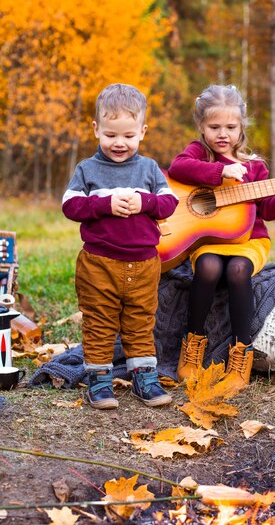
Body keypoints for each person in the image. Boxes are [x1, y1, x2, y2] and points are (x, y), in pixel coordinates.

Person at [168, 84, 275, 390]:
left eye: (230, 127)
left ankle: (242, 353)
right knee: (209, 267)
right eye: (214, 127)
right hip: (210, 238)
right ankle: (193, 345)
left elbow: (268, 209)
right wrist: (219, 174)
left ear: (242, 128)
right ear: (201, 127)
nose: (222, 134)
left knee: (238, 270)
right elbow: (177, 167)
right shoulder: (199, 153)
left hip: (250, 240)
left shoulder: (255, 168)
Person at [62, 83, 178, 410]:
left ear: (142, 132)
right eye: (111, 134)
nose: (119, 143)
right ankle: (99, 379)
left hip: (144, 264)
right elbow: (70, 206)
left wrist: (143, 202)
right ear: (96, 129)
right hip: (99, 263)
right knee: (99, 320)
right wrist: (104, 205)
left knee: (141, 321)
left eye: (128, 135)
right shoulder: (87, 169)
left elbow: (169, 204)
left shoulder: (149, 169)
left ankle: (144, 375)